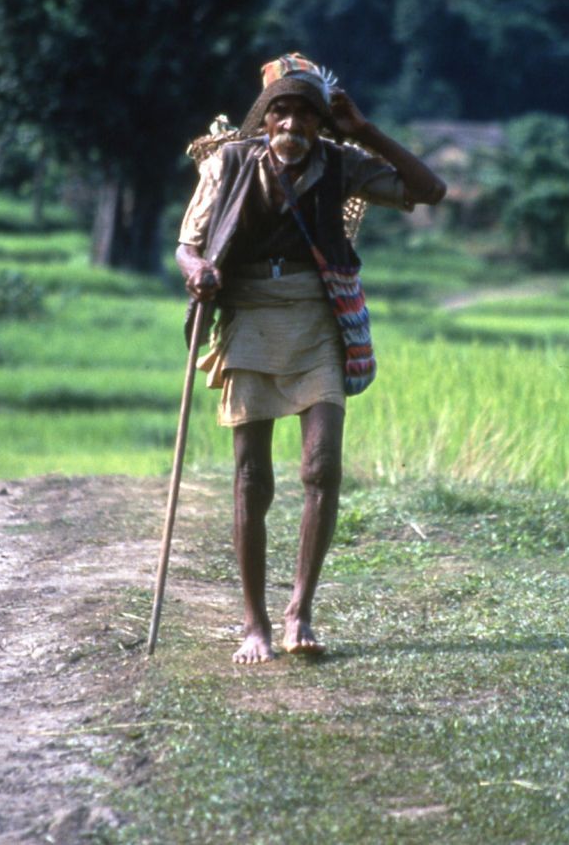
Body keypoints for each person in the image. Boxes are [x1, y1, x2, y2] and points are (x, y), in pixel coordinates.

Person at [176, 53, 446, 664]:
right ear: (265, 118)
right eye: (282, 112)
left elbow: (429, 190)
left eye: (305, 114)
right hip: (248, 316)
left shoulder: (342, 163)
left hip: (318, 320)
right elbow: (187, 246)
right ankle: (254, 624)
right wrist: (198, 271)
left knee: (322, 468)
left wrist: (365, 130)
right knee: (252, 477)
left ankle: (300, 611)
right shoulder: (229, 162)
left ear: (321, 123)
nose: (292, 125)